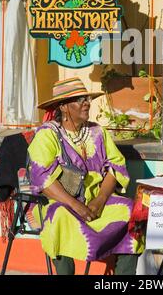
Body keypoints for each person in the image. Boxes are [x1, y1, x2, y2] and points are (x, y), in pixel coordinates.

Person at [28, 77, 143, 275]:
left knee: (130, 210)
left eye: (87, 98)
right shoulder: (47, 135)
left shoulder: (98, 131)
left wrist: (99, 200)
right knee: (59, 217)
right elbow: (44, 180)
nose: (87, 103)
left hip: (94, 201)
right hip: (56, 202)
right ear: (63, 107)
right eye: (80, 99)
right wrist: (76, 206)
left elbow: (115, 166)